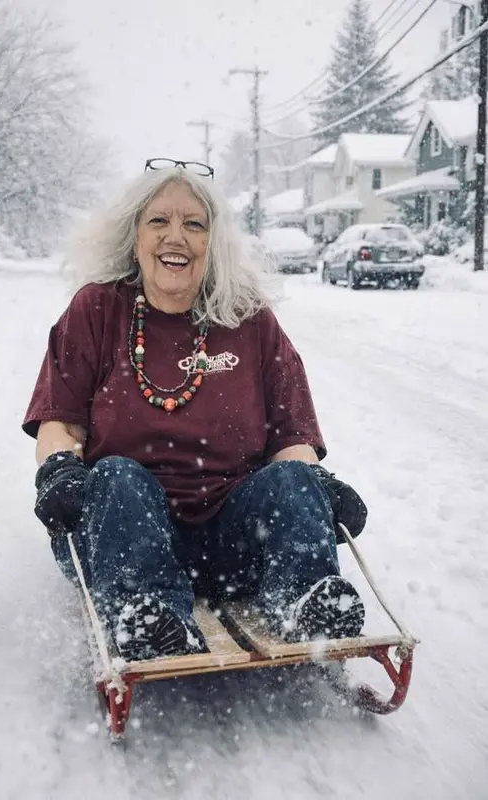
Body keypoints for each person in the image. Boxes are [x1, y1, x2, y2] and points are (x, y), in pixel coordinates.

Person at [23, 157, 368, 662]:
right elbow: (61, 422)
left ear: (214, 240)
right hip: (123, 533)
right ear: (134, 235)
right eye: (158, 221)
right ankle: (150, 616)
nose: (175, 237)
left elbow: (290, 438)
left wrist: (314, 486)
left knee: (295, 478)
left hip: (231, 544)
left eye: (193, 224)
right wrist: (60, 471)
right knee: (117, 474)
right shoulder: (96, 309)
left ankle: (305, 604)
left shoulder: (249, 319)